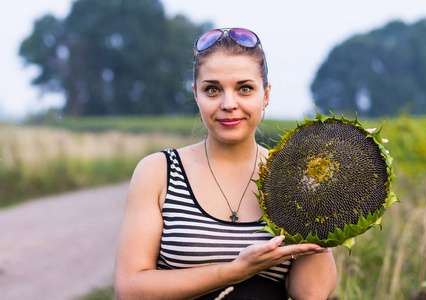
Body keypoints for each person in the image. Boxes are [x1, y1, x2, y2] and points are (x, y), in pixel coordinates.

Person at [114, 28, 337, 300]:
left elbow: (311, 294)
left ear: (265, 95)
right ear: (196, 94)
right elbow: (130, 289)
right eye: (212, 90)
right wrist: (235, 271)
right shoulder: (159, 172)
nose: (229, 103)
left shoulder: (293, 177)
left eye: (245, 88)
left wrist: (317, 204)